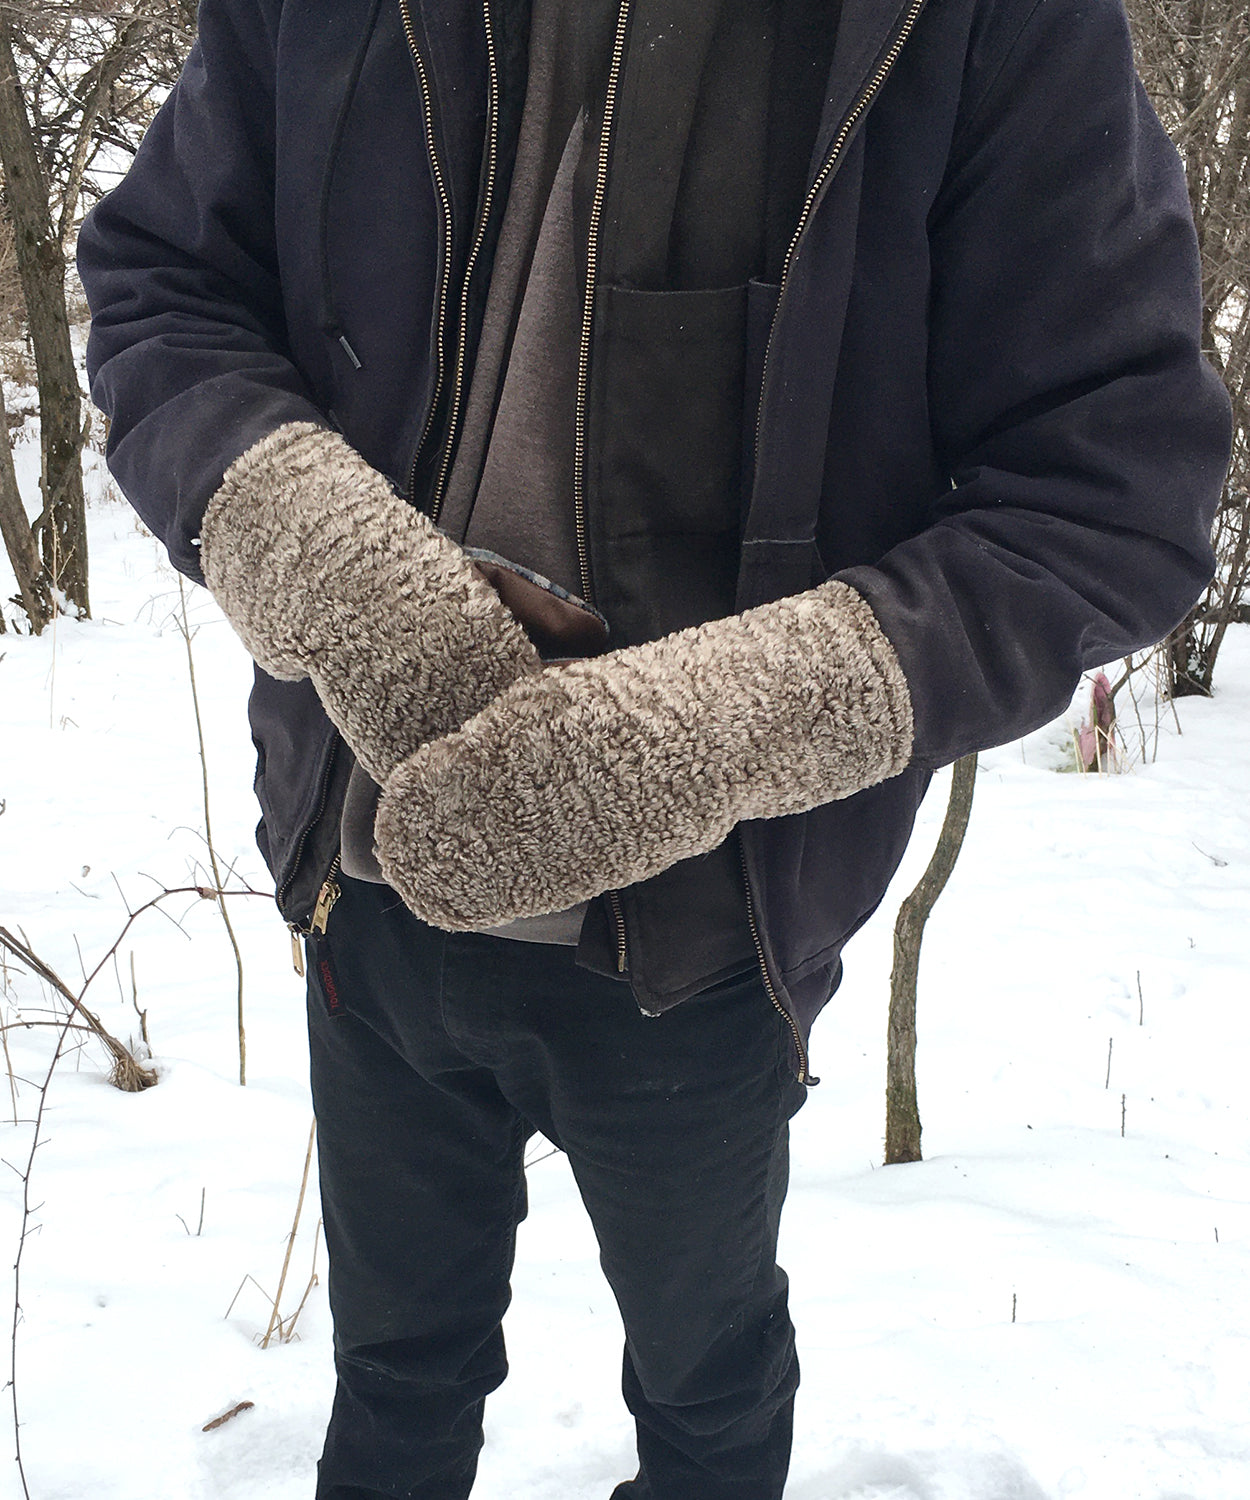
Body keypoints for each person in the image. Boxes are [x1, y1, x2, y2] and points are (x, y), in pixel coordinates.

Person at [78, 0, 1231, 1495]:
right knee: (394, 1377)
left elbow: (1110, 501)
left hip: (700, 933)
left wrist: (702, 734)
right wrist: (314, 545)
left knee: (706, 1389)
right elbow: (164, 285)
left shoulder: (984, 26)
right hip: (356, 880)